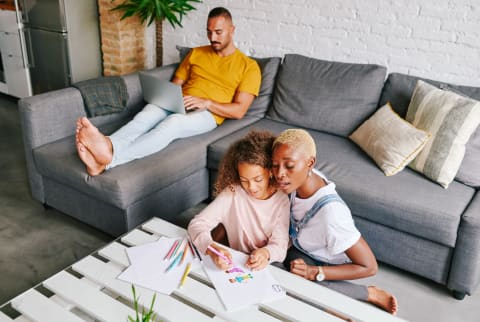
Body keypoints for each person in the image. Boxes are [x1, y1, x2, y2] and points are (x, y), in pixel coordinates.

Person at [75, 7, 261, 176]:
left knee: (173, 123)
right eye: (209, 32)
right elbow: (175, 85)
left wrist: (207, 103)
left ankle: (108, 161)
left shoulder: (249, 67)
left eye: (218, 32)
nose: (212, 38)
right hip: (179, 102)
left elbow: (239, 111)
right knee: (148, 113)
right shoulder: (196, 53)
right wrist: (168, 98)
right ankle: (108, 145)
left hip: (208, 113)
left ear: (232, 30)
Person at [271, 128, 398, 315]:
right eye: (275, 165)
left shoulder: (332, 215)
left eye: (289, 166)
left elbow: (369, 266)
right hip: (302, 248)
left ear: (310, 163)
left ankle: (368, 293)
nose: (279, 174)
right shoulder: (297, 180)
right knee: (273, 270)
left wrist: (314, 272)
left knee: (293, 285)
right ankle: (330, 307)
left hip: (325, 260)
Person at [188, 130, 290, 271]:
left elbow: (280, 246)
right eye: (244, 180)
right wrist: (212, 248)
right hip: (235, 262)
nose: (251, 187)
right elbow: (197, 224)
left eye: (258, 179)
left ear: (271, 171)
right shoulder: (233, 192)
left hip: (262, 266)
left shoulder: (281, 201)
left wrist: (266, 253)